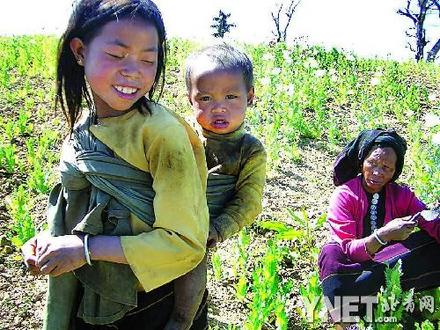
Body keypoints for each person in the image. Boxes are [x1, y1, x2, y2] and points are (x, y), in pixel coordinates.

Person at [21, 1, 209, 329]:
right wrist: (49, 243)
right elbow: (79, 206)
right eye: (116, 54)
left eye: (148, 60)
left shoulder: (162, 135)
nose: (133, 70)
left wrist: (85, 249)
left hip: (147, 300)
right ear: (80, 51)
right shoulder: (84, 125)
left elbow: (185, 244)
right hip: (87, 288)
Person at [164, 44, 267, 329]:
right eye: (206, 98)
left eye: (231, 97)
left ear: (250, 97)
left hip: (196, 238)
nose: (219, 107)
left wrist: (216, 230)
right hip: (156, 226)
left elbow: (249, 202)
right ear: (190, 99)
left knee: (187, 303)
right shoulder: (178, 135)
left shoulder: (249, 150)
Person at [318, 128, 440, 328]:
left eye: (386, 168)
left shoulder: (401, 195)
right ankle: (346, 322)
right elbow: (350, 250)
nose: (377, 173)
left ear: (395, 172)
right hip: (353, 272)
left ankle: (378, 303)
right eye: (372, 163)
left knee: (431, 240)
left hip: (387, 268)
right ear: (362, 161)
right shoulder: (344, 195)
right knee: (330, 253)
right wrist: (384, 235)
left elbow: (430, 220)